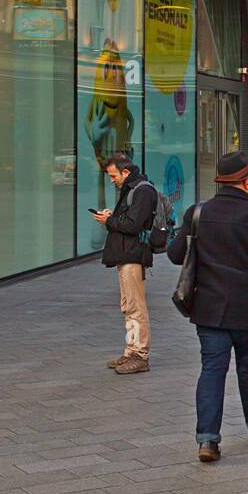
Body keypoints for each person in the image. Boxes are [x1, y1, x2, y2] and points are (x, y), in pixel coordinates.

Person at [168, 151, 248, 463]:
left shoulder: (197, 212)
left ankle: (208, 439)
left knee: (212, 370)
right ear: (246, 182)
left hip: (208, 309)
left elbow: (175, 255)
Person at [93, 154, 155, 375]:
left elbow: (132, 225)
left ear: (125, 172)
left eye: (113, 175)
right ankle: (131, 351)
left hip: (133, 255)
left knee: (136, 308)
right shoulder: (131, 189)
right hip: (125, 255)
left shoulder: (142, 191)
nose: (112, 180)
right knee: (128, 307)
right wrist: (112, 217)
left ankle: (140, 355)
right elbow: (128, 220)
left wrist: (109, 220)